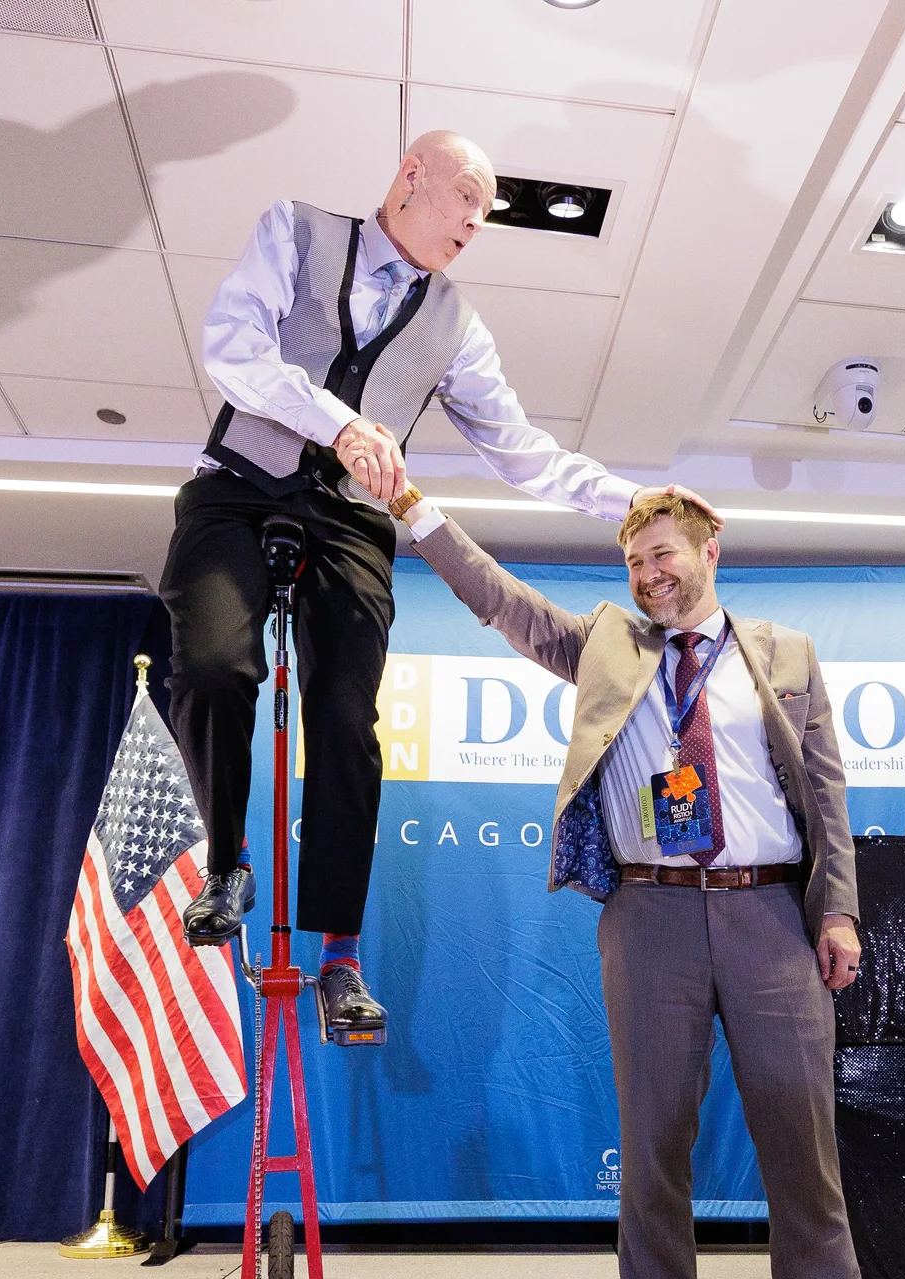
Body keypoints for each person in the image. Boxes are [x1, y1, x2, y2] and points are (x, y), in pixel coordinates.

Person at [375, 475, 905, 1279]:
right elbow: (496, 596)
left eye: (663, 552)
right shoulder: (603, 645)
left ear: (710, 548)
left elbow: (827, 790)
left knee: (805, 1154)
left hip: (769, 915)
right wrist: (418, 511)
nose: (647, 572)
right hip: (650, 915)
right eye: (633, 560)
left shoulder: (786, 653)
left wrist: (836, 906)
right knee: (652, 1153)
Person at [164, 130, 713, 1034]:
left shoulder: (459, 324)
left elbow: (521, 452)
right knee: (216, 664)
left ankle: (340, 952)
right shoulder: (296, 231)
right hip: (236, 486)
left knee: (347, 714)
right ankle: (227, 860)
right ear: (410, 176)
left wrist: (632, 495)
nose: (476, 219)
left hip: (348, 516)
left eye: (486, 210)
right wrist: (339, 423)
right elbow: (231, 346)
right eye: (466, 195)